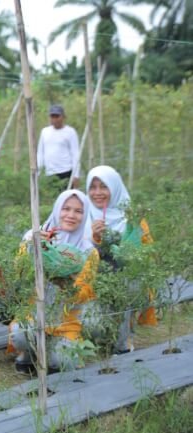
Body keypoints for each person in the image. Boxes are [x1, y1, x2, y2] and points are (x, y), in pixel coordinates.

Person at [10, 190, 99, 373]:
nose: (71, 215)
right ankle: (29, 354)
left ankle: (53, 350)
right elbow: (18, 273)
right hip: (34, 315)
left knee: (63, 361)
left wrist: (67, 282)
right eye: (66, 208)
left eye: (78, 211)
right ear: (57, 209)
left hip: (66, 322)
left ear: (85, 215)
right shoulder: (35, 236)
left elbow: (84, 294)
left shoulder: (88, 251)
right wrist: (31, 250)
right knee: (20, 334)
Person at [86, 165, 157, 330]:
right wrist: (95, 239)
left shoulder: (131, 218)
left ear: (115, 187)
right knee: (94, 326)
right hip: (91, 283)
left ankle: (125, 334)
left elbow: (147, 255)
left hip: (126, 282)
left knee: (131, 285)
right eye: (93, 187)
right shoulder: (81, 213)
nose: (98, 193)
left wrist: (121, 247)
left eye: (104, 186)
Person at [37, 105, 81, 190]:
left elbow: (75, 154)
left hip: (66, 172)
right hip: (50, 173)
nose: (54, 119)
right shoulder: (45, 132)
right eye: (52, 116)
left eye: (57, 116)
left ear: (63, 117)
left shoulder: (70, 132)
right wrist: (38, 172)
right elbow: (40, 153)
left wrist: (76, 175)